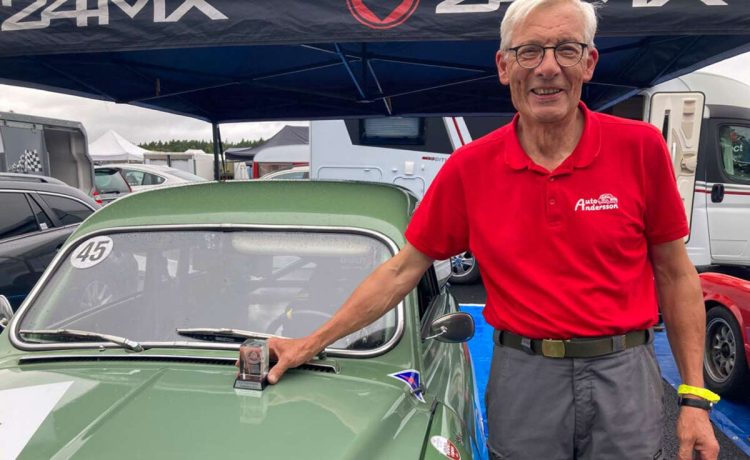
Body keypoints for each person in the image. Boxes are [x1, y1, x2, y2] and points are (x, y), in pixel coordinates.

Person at [266, 0, 720, 458]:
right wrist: (312, 342)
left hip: (624, 372)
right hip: (524, 377)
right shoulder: (471, 167)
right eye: (529, 52)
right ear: (504, 67)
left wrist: (695, 398)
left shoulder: (639, 148)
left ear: (589, 62)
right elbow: (401, 270)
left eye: (566, 49)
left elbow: (676, 274)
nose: (547, 68)